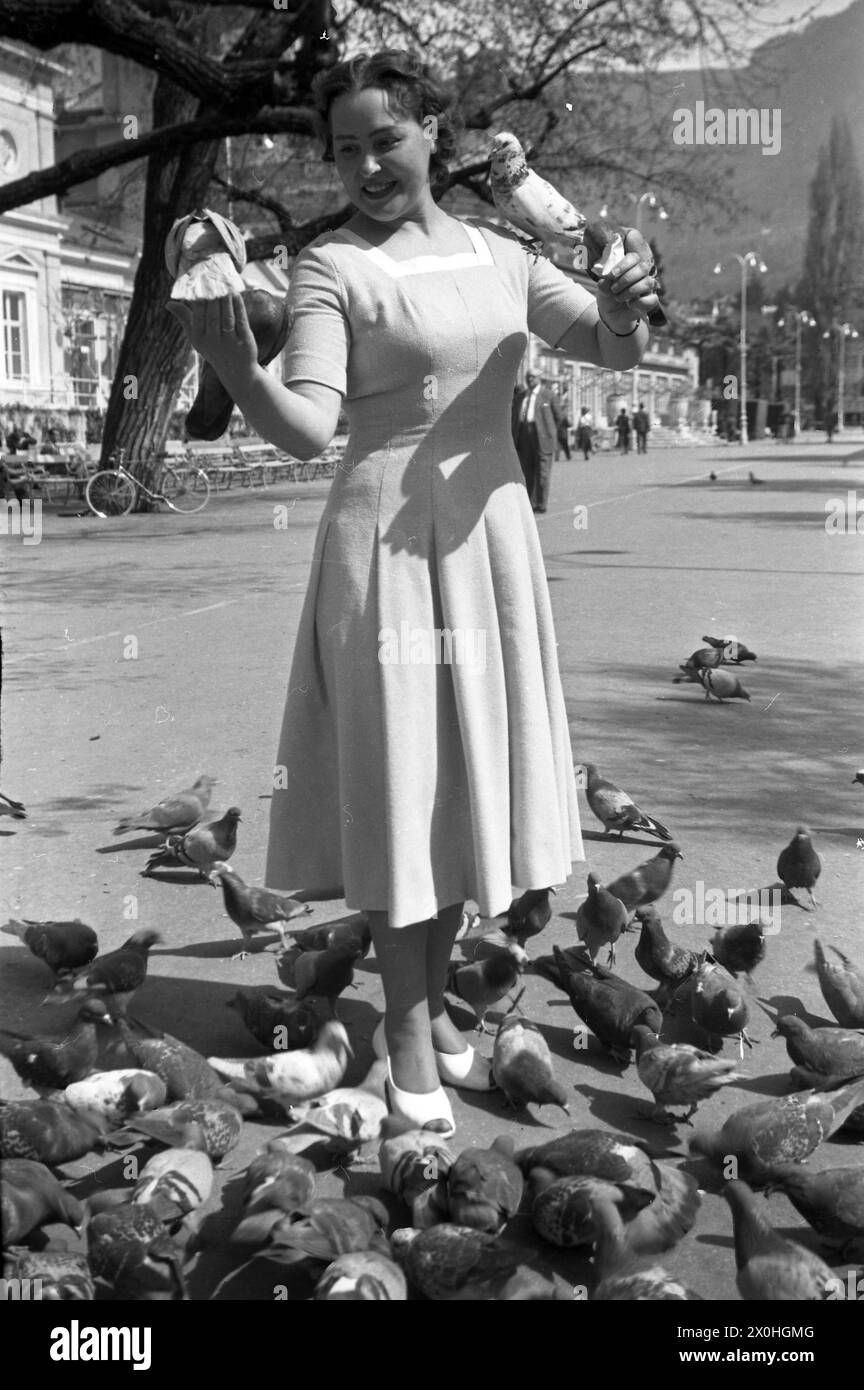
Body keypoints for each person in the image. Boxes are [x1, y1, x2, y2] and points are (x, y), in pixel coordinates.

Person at [167, 49, 658, 1135]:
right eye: (344, 149)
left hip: (489, 544)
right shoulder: (328, 265)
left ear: (436, 130)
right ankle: (401, 1034)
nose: (366, 165)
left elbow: (613, 346)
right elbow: (310, 422)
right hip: (382, 543)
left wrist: (624, 302)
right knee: (404, 784)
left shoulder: (502, 253)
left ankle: (429, 1012)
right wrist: (237, 367)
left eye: (385, 138)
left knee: (459, 781)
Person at [512, 370, 558, 511]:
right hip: (524, 436)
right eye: (527, 377)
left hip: (542, 437)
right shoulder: (521, 397)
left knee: (543, 472)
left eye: (533, 377)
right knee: (527, 471)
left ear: (539, 378)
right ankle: (530, 503)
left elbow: (559, 417)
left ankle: (541, 503)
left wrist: (549, 431)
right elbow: (517, 416)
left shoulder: (548, 395)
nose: (530, 379)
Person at [555, 392, 572, 460]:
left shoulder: (555, 415)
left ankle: (557, 457)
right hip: (563, 433)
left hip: (556, 432)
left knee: (557, 445)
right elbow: (568, 424)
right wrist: (570, 424)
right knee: (565, 446)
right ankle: (568, 456)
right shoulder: (564, 416)